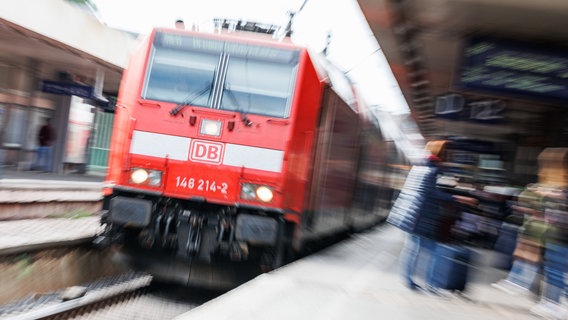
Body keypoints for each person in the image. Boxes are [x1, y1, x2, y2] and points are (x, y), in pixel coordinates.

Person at [388, 153, 477, 291]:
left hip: (411, 216)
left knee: (412, 249)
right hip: (421, 217)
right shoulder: (431, 171)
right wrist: (460, 198)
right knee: (432, 250)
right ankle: (432, 284)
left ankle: (409, 280)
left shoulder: (416, 170)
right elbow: (432, 193)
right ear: (437, 162)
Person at [492, 186, 547, 295]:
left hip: (538, 230)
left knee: (531, 257)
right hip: (530, 228)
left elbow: (539, 213)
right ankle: (514, 281)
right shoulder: (538, 194)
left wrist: (522, 209)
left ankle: (522, 284)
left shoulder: (545, 197)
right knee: (521, 255)